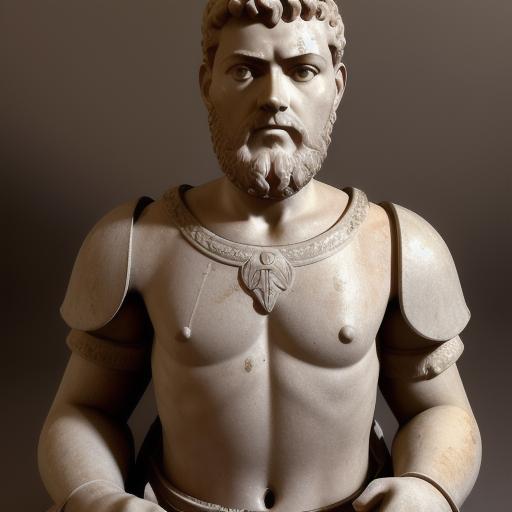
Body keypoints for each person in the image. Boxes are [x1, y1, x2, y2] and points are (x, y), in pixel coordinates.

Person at [39, 1, 481, 511]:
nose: (273, 97)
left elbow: (441, 410)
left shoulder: (397, 246)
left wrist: (427, 488)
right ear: (207, 83)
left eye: (303, 70)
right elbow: (84, 409)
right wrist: (97, 497)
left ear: (337, 86)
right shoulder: (137, 243)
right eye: (245, 70)